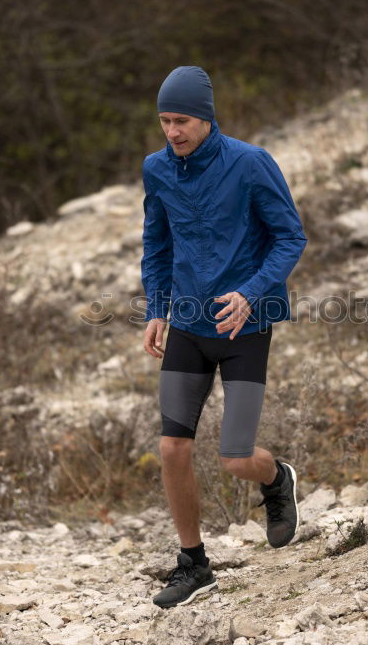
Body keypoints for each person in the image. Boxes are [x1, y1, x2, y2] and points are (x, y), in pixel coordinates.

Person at [140, 65, 308, 608]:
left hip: (244, 324)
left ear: (206, 118)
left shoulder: (251, 163)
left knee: (236, 457)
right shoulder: (156, 170)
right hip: (187, 322)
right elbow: (157, 245)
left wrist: (252, 293)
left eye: (182, 119)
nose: (173, 131)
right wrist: (157, 308)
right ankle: (194, 564)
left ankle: (276, 478)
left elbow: (290, 237)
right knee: (172, 447)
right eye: (165, 120)